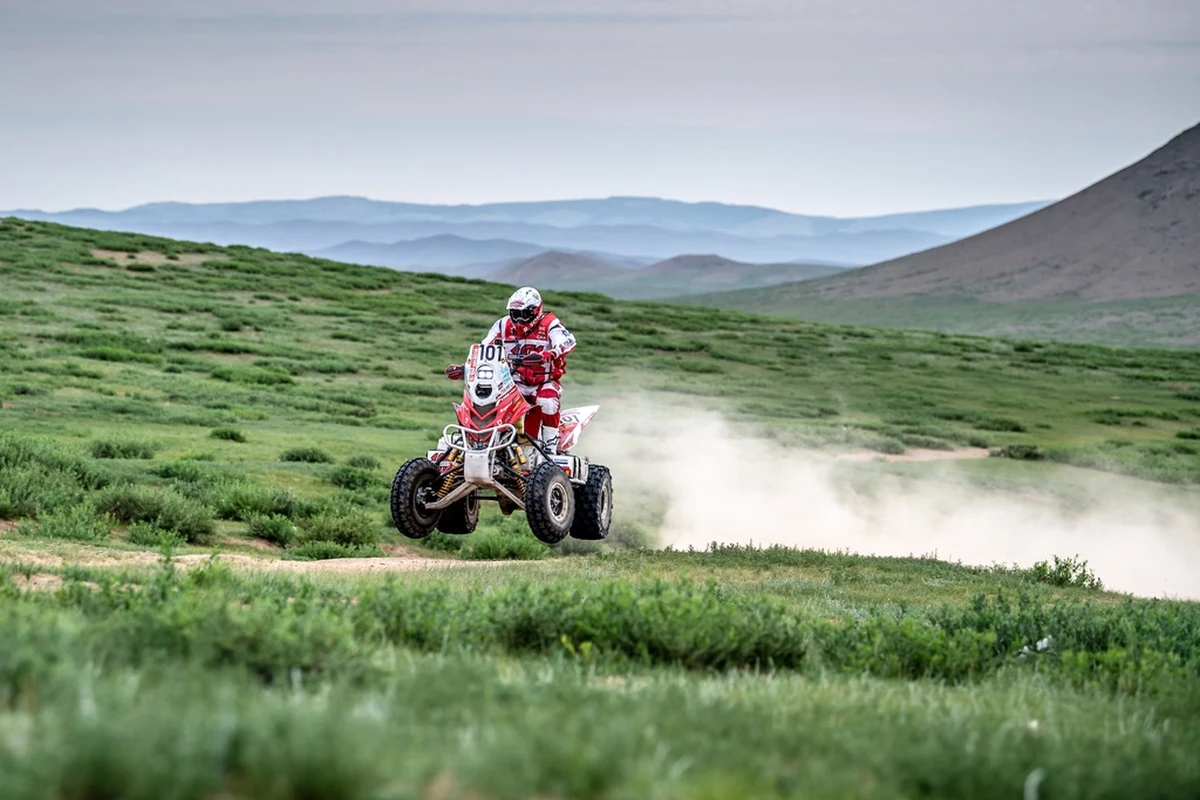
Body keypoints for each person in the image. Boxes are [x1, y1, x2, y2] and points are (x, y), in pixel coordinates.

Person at [445, 286, 577, 453]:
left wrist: (549, 354)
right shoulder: (502, 325)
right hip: (513, 381)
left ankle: (550, 448)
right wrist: (465, 368)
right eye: (515, 314)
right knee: (487, 399)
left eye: (524, 314)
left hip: (544, 382)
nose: (519, 319)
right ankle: (481, 442)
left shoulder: (549, 323)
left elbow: (567, 341)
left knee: (547, 402)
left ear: (536, 310)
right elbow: (485, 348)